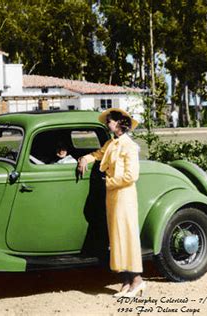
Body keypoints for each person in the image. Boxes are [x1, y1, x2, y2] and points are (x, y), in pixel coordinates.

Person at [77, 108, 146, 298]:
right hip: (113, 197)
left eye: (110, 121)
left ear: (119, 123)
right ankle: (125, 280)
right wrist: (84, 159)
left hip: (124, 196)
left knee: (127, 236)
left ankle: (137, 280)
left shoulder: (129, 146)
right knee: (116, 237)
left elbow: (131, 176)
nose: (107, 124)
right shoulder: (111, 143)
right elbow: (98, 154)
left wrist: (108, 182)